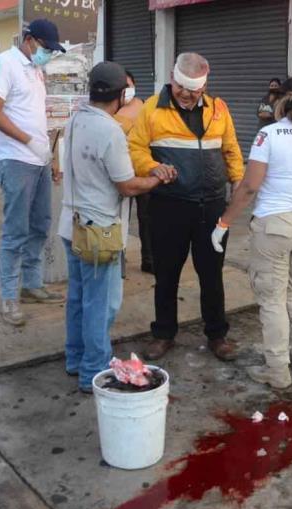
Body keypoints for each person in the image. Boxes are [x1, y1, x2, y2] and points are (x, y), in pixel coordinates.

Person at [211, 77, 292, 389]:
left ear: (278, 100)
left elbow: (250, 186)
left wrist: (224, 222)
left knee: (272, 300)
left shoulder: (268, 135)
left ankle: (278, 372)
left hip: (274, 227)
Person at [59, 61, 172, 392]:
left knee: (79, 297)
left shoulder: (77, 118)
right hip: (99, 233)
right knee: (101, 303)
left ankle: (75, 358)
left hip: (72, 225)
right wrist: (156, 177)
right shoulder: (110, 131)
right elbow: (127, 186)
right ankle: (92, 371)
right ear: (122, 94)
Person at [129, 52, 244, 362]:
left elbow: (231, 148)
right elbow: (135, 148)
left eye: (193, 89)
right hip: (169, 206)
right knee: (166, 274)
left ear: (204, 87)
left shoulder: (219, 109)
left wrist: (238, 183)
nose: (186, 93)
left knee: (212, 274)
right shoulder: (152, 108)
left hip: (212, 208)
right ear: (172, 78)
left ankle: (217, 335)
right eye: (181, 86)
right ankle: (163, 334)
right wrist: (151, 166)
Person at [0, 19, 67, 326]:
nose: (47, 54)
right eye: (46, 48)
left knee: (40, 225)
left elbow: (36, 116)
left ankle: (31, 284)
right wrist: (29, 141)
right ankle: (8, 297)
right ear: (30, 40)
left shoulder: (35, 69)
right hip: (16, 160)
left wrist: (51, 157)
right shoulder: (3, 64)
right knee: (15, 231)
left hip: (39, 161)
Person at [114, 70, 154, 274]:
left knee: (147, 218)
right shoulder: (112, 111)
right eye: (123, 87)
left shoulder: (146, 106)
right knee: (119, 218)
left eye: (129, 85)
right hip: (119, 173)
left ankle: (149, 259)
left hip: (142, 171)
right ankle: (117, 261)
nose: (127, 90)